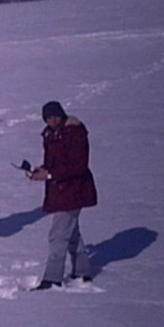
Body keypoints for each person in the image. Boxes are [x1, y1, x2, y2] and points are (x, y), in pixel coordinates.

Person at [27, 101, 98, 290]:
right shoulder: (50, 134)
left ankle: (52, 279)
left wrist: (50, 174)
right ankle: (82, 272)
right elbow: (54, 162)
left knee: (58, 234)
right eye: (48, 118)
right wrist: (41, 171)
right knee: (71, 233)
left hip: (75, 190)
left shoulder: (74, 132)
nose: (53, 120)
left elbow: (78, 165)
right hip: (60, 192)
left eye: (55, 116)